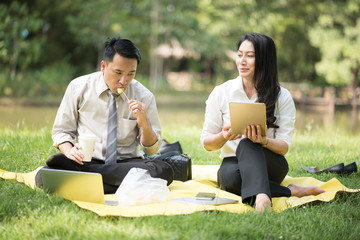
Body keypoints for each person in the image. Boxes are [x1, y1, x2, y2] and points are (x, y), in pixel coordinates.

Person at [200, 33, 325, 211]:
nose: (242, 61)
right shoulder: (221, 92)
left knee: (247, 144)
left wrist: (263, 141)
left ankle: (262, 198)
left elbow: (284, 147)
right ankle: (284, 191)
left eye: (250, 56)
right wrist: (224, 136)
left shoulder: (282, 96)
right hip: (233, 163)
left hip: (270, 163)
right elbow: (207, 144)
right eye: (240, 54)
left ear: (264, 60)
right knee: (230, 180)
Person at [36, 36, 173, 193]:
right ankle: (118, 185)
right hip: (86, 160)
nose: (124, 80)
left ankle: (85, 179)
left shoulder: (144, 96)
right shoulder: (78, 88)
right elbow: (61, 132)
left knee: (163, 170)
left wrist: (145, 123)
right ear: (103, 66)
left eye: (131, 74)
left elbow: (151, 151)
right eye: (118, 72)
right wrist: (69, 151)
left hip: (126, 164)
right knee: (42, 176)